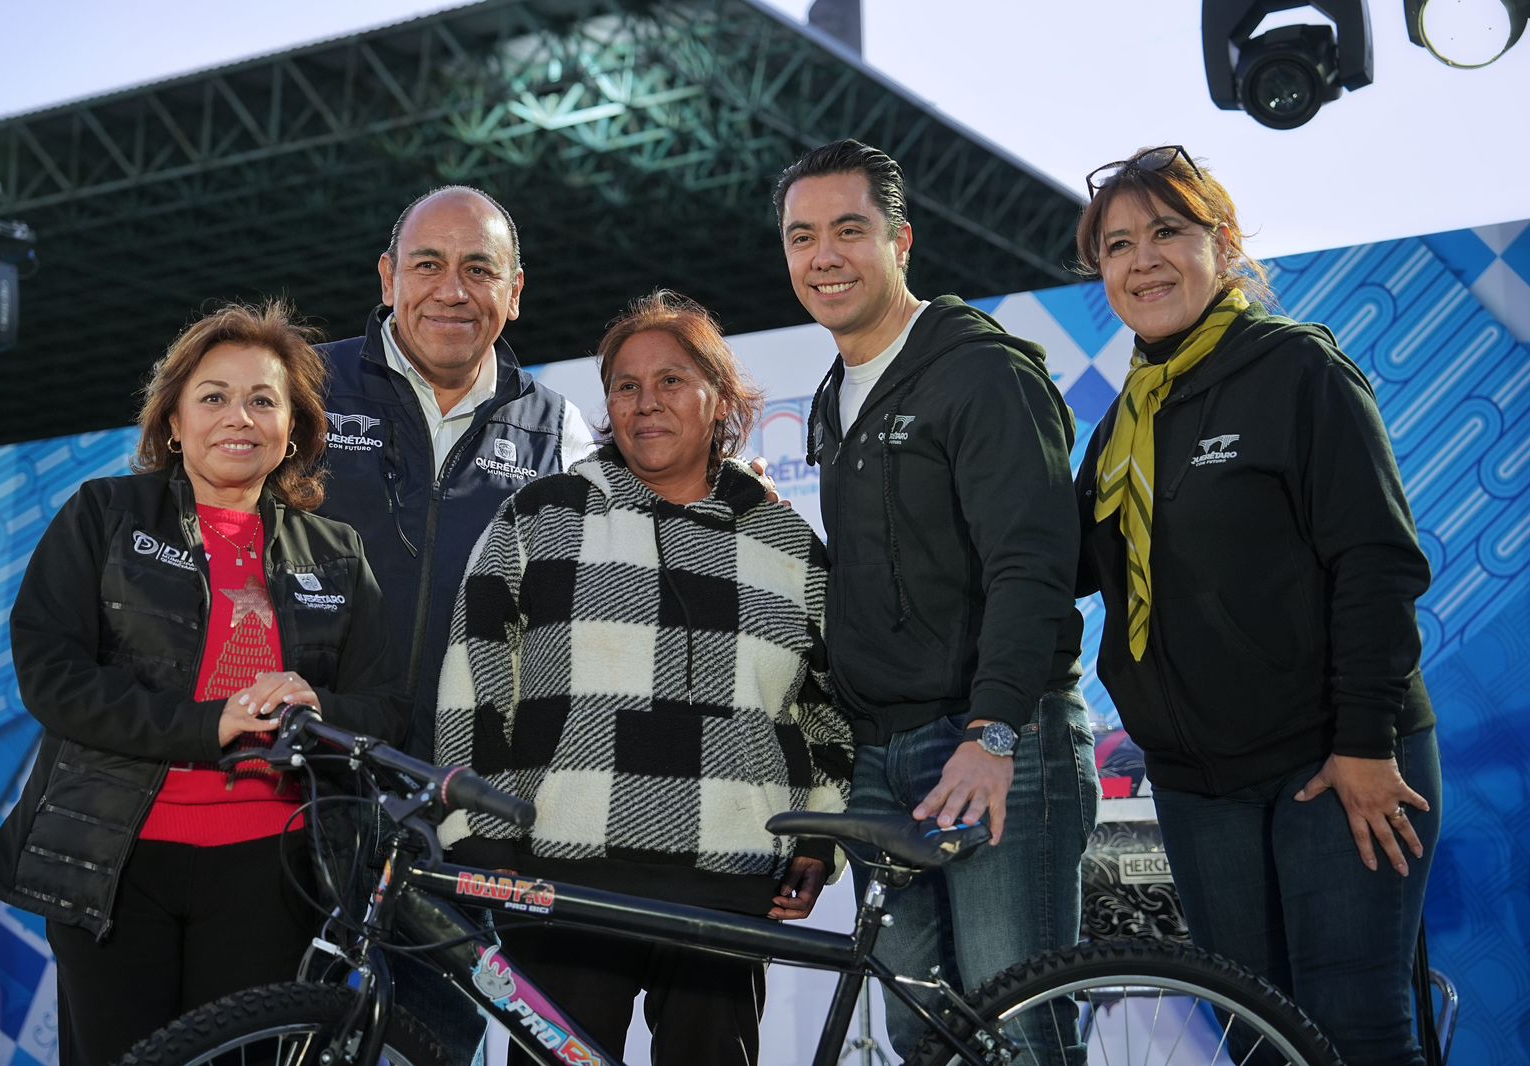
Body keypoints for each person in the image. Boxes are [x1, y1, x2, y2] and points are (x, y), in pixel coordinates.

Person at [1073, 145, 1441, 1066]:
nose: (1142, 259)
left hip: (1334, 759)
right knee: (1260, 1042)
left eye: (1168, 232)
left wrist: (1365, 741)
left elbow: (1377, 563)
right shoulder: (1129, 417)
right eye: (1118, 245)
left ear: (1223, 244)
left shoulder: (1296, 370)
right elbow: (1061, 559)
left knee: (1352, 1032)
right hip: (1203, 786)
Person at [0, 301, 405, 1065]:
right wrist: (207, 725)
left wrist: (319, 705)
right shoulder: (102, 514)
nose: (238, 416)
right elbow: (52, 676)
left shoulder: (338, 551)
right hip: (116, 867)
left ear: (293, 432)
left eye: (263, 400)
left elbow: (384, 705)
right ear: (172, 421)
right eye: (213, 396)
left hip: (272, 875)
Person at [433, 290, 853, 1065]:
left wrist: (820, 839)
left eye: (670, 381)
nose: (644, 403)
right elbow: (476, 676)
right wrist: (476, 832)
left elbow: (826, 710)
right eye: (625, 385)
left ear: (720, 399)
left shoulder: (789, 541)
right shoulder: (542, 514)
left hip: (728, 874)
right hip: (562, 871)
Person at [772, 139, 1098, 1061]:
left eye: (849, 230)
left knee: (1024, 1030)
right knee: (925, 1044)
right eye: (803, 237)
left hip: (998, 744)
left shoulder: (984, 371)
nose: (824, 256)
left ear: (902, 240)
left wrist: (993, 731)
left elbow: (1033, 567)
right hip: (885, 759)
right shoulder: (838, 394)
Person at [313, 185, 594, 1062]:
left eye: (480, 269)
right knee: (282, 1034)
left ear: (514, 292)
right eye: (428, 264)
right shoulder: (301, 387)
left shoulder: (561, 433)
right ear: (389, 276)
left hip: (459, 808)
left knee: (433, 1042)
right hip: (304, 790)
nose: (451, 289)